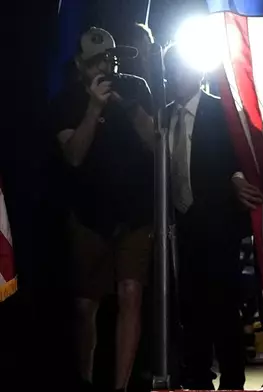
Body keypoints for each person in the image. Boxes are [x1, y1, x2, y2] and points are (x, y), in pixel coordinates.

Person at [50, 27, 155, 392]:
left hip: (135, 213)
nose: (103, 66)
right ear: (79, 64)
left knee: (131, 293)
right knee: (84, 307)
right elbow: (74, 156)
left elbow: (154, 143)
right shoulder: (66, 100)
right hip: (89, 216)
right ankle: (85, 379)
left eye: (108, 58)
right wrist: (94, 108)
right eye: (94, 60)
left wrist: (127, 104)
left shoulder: (136, 88)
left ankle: (121, 385)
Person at [163, 44, 262, 390]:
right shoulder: (164, 116)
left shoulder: (222, 112)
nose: (176, 75)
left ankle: (233, 379)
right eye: (170, 68)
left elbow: (241, 157)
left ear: (198, 71)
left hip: (218, 225)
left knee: (223, 305)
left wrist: (236, 177)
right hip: (182, 226)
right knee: (190, 306)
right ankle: (198, 376)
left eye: (181, 67)